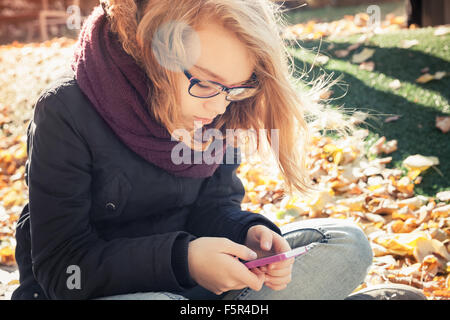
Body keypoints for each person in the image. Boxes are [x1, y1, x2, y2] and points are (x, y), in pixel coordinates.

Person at [11, 0, 424, 300]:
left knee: (345, 241)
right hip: (111, 294)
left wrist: (247, 232)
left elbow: (215, 204)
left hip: (201, 293)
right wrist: (181, 259)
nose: (217, 106)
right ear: (153, 51)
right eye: (206, 83)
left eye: (235, 88)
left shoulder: (220, 107)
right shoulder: (66, 112)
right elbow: (63, 270)